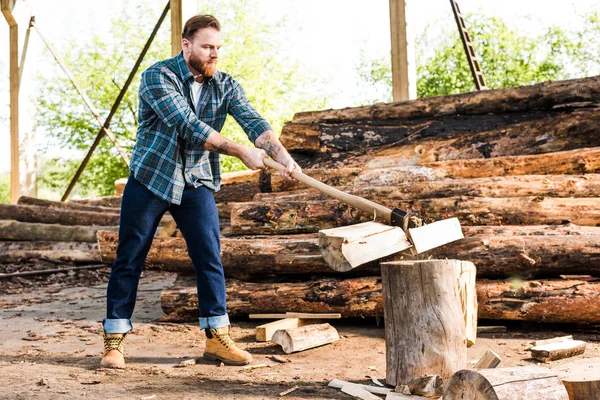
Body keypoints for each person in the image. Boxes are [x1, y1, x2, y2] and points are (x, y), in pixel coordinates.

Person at [100, 14, 300, 368]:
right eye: (208, 47)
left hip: (196, 180)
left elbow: (255, 123)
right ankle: (114, 341)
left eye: (218, 48)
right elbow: (188, 126)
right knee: (130, 257)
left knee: (210, 257)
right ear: (186, 45)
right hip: (151, 178)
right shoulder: (157, 77)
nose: (214, 55)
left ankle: (216, 340)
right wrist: (240, 151)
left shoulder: (224, 84)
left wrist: (284, 159)